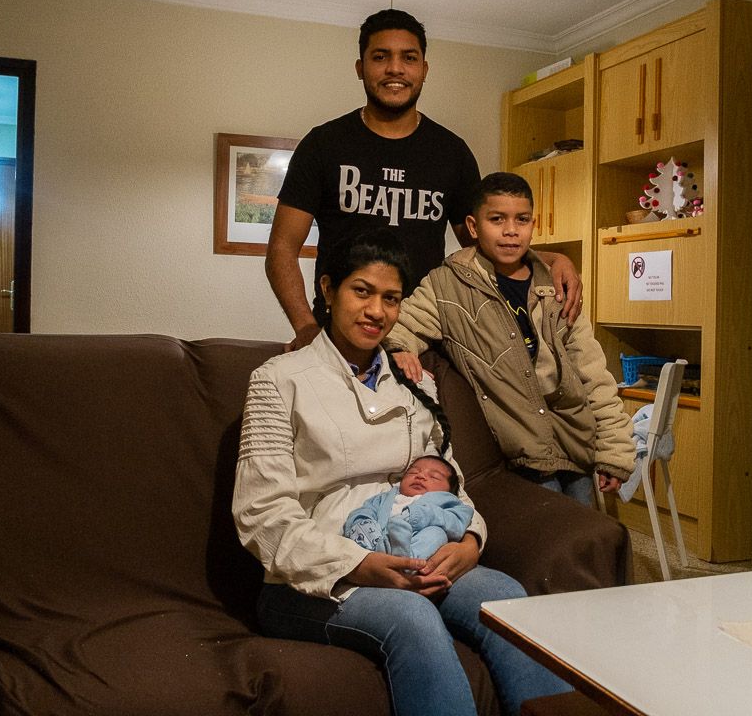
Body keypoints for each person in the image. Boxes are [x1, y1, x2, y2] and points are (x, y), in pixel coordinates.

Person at [233, 228, 571, 716]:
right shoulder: (277, 381)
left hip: (420, 554)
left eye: (391, 299)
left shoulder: (416, 383)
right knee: (410, 615)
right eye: (362, 291)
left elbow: (449, 480)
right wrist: (360, 565)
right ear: (328, 290)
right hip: (313, 577)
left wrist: (470, 542)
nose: (377, 311)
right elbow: (260, 514)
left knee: (504, 597)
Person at [266, 8, 583, 352]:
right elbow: (282, 248)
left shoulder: (451, 152)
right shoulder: (323, 145)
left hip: (425, 335)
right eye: (380, 56)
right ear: (360, 68)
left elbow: (482, 246)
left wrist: (550, 260)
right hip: (340, 335)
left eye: (409, 57)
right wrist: (306, 328)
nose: (395, 69)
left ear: (424, 70)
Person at [383, 172, 636, 507]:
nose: (511, 230)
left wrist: (614, 451)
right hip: (520, 451)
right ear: (473, 227)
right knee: (549, 535)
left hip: (575, 442)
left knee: (584, 534)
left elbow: (593, 374)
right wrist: (399, 349)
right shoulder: (447, 286)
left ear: (534, 224)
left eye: (522, 219)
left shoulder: (557, 286)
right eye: (497, 219)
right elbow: (401, 324)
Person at [343, 455, 474, 559]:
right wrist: (364, 523)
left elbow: (457, 524)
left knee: (436, 534)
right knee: (362, 525)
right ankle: (384, 550)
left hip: (417, 542)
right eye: (413, 472)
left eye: (434, 476)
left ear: (448, 491)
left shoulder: (450, 502)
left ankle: (407, 560)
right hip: (379, 540)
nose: (420, 476)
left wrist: (422, 514)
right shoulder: (384, 498)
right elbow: (365, 510)